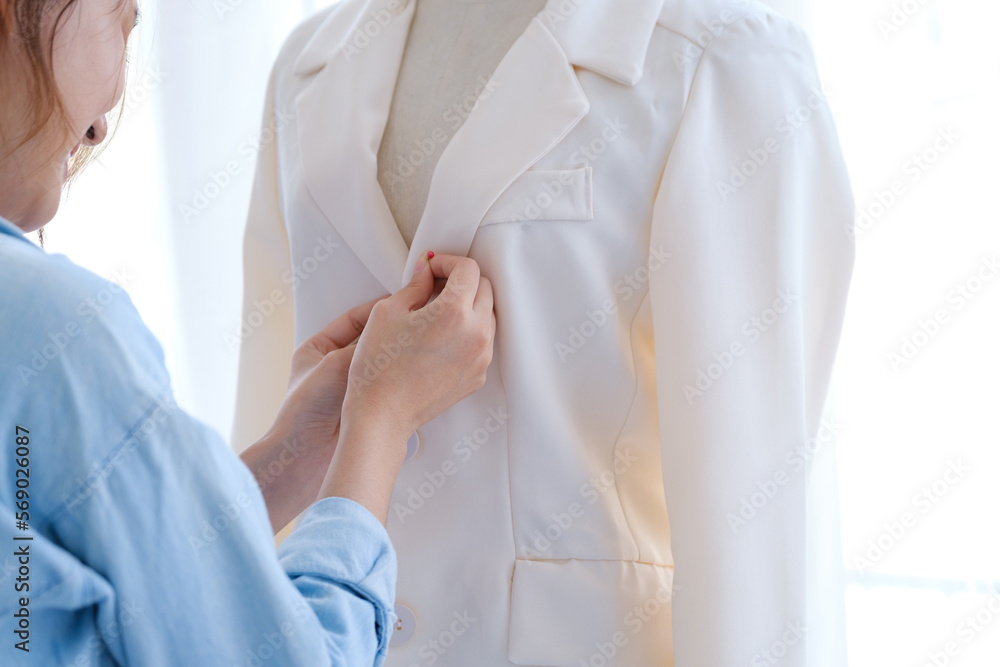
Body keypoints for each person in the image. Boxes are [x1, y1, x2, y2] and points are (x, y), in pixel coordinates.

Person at [0, 0, 496, 664]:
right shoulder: (58, 332)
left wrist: (287, 458)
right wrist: (380, 424)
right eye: (123, 15)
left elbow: (106, 592)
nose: (100, 123)